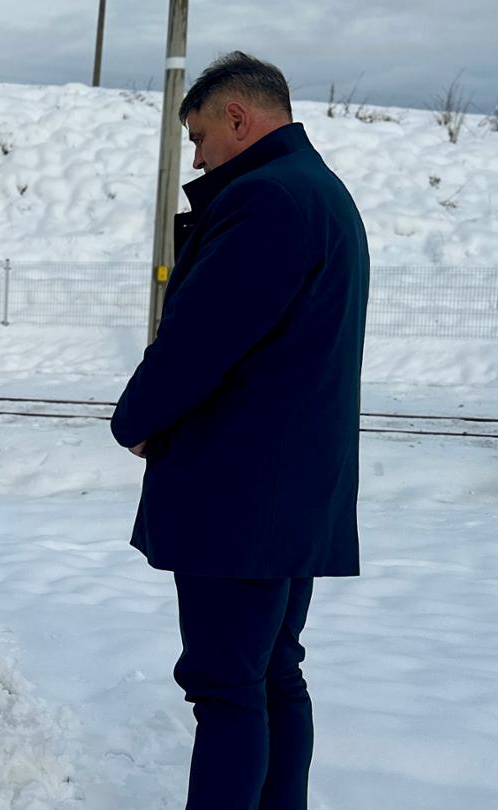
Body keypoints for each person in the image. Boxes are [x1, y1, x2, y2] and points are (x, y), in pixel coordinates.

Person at [110, 51, 368, 810]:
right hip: (291, 490)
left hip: (241, 495)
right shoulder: (321, 193)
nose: (196, 156)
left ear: (237, 118)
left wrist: (136, 420)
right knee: (271, 673)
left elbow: (202, 339)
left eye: (198, 137)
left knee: (227, 688)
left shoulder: (267, 201)